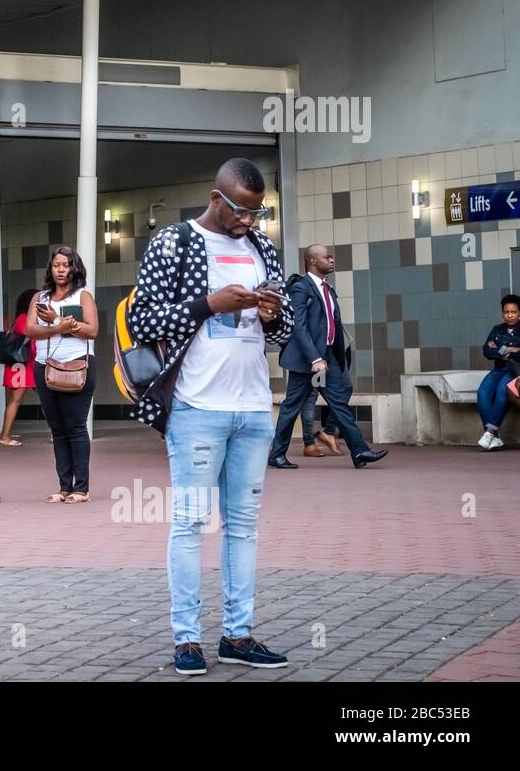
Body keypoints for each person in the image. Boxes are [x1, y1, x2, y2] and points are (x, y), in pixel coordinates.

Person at [128, 158, 293, 676]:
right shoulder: (174, 241)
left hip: (252, 407)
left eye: (257, 212)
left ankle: (238, 635)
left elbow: (283, 331)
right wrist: (209, 303)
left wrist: (272, 315)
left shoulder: (262, 246)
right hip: (197, 409)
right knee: (190, 523)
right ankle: (187, 640)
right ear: (216, 198)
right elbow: (141, 318)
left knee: (243, 527)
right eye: (242, 211)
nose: (249, 221)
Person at [270, 244, 388, 469]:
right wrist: (315, 359)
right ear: (312, 261)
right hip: (308, 362)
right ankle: (277, 454)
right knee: (292, 406)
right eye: (327, 257)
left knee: (339, 402)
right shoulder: (301, 288)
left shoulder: (328, 289)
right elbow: (299, 327)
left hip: (327, 359)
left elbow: (331, 325)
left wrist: (334, 358)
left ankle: (360, 451)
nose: (332, 260)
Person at [24, 248, 97, 502]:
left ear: (75, 268)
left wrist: (62, 321)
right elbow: (30, 329)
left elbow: (93, 330)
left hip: (77, 365)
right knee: (57, 429)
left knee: (76, 426)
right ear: (50, 268)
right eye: (56, 265)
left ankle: (81, 488)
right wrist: (58, 326)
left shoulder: (83, 296)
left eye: (66, 265)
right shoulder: (40, 297)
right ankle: (64, 486)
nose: (61, 269)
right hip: (45, 367)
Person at [477, 294, 520, 449]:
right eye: (507, 312)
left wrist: (502, 349)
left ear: (519, 312)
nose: (510, 315)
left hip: (514, 370)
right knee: (482, 393)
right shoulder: (497, 329)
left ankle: (489, 433)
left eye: (513, 312)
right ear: (502, 313)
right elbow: (487, 350)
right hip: (498, 369)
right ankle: (493, 437)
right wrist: (508, 349)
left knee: (502, 392)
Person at [0, 289, 38, 446]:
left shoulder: (24, 318)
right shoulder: (24, 319)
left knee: (48, 398)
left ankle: (5, 434)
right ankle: (4, 436)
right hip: (21, 367)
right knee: (15, 400)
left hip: (25, 366)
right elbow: (31, 337)